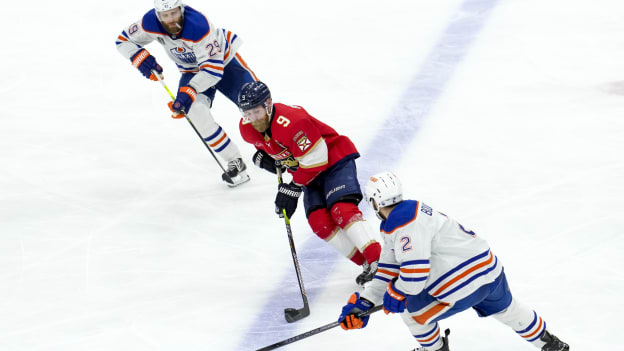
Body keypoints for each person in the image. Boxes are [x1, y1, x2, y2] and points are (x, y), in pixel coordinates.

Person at [337, 172, 570, 351]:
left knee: (411, 312)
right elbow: (389, 269)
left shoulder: (402, 223)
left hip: (461, 285)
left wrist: (397, 294)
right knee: (509, 310)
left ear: (375, 202)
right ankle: (550, 343)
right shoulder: (411, 213)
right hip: (489, 270)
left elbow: (414, 276)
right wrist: (365, 302)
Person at [236, 81, 382, 285]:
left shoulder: (293, 122)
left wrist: (293, 188)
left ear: (268, 104)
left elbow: (317, 159)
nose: (252, 119)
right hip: (307, 173)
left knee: (341, 209)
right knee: (319, 223)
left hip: (333, 161)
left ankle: (379, 262)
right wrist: (267, 157)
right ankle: (366, 264)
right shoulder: (247, 128)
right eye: (247, 113)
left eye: (257, 112)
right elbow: (275, 147)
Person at [115, 0, 258, 187]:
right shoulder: (150, 22)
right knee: (194, 111)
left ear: (181, 9)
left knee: (256, 104)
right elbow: (123, 40)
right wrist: (140, 58)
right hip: (191, 70)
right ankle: (234, 160)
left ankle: (286, 150)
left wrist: (190, 90)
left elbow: (213, 70)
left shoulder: (198, 26)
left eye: (174, 13)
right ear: (158, 15)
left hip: (223, 61)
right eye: (165, 15)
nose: (171, 19)